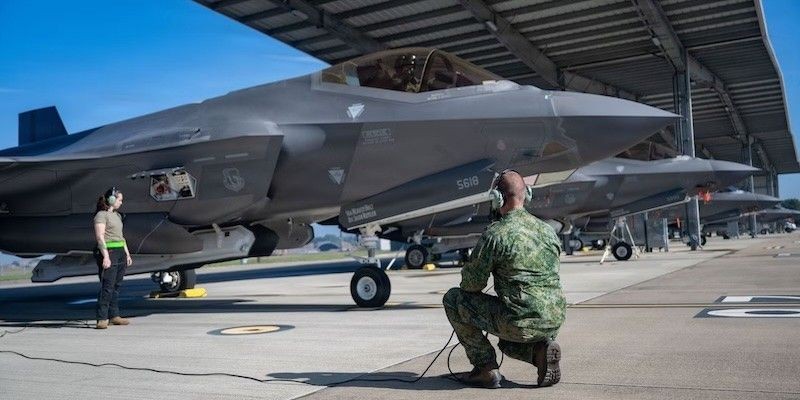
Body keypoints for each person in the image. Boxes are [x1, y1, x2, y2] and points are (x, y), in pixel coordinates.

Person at [443, 170, 566, 389]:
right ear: (527, 194)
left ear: (497, 198)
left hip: (519, 321)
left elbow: (471, 285)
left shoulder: (496, 234)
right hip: (553, 319)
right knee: (507, 343)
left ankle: (485, 368)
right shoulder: (548, 231)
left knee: (453, 299)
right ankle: (540, 352)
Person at [93, 187, 133, 329]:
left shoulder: (117, 216)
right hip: (109, 251)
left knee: (116, 286)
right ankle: (102, 318)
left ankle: (114, 315)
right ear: (111, 199)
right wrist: (105, 256)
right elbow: (100, 237)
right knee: (107, 286)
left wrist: (127, 254)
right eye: (119, 200)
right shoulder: (101, 215)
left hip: (120, 251)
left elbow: (121, 237)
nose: (121, 202)